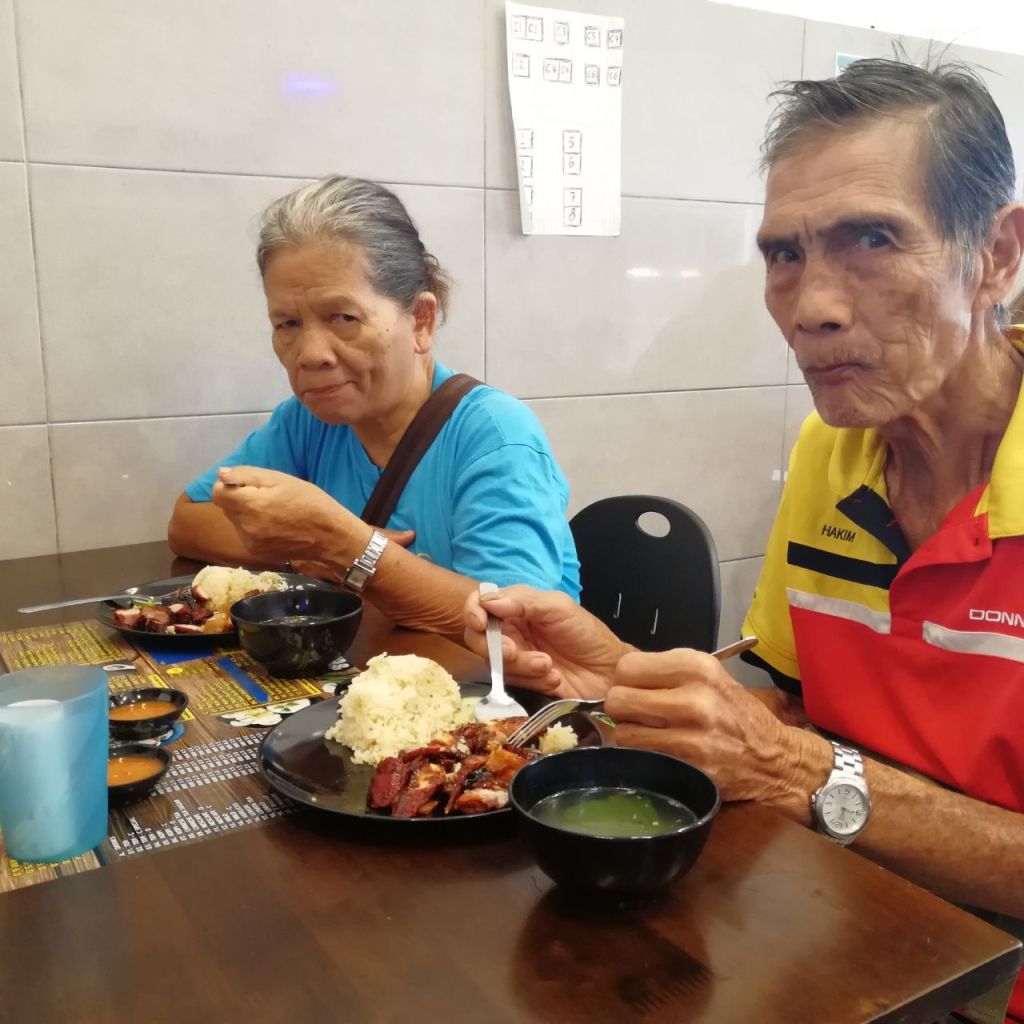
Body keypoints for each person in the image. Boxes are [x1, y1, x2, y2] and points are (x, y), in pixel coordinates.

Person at [465, 59, 1024, 1020]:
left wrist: (794, 770)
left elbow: (798, 761)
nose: (811, 308)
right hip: (852, 943)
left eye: (873, 238)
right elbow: (800, 716)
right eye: (784, 254)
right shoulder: (831, 452)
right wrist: (625, 681)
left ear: (998, 257)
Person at [168, 176, 579, 634]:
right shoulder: (308, 423)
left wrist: (344, 545)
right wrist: (303, 552)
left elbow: (518, 629)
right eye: (287, 324)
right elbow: (187, 521)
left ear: (420, 321)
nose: (310, 355)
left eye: (344, 317)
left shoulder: (495, 437)